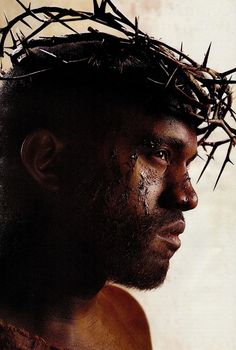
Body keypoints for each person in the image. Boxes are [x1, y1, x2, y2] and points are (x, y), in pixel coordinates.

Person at [0, 1, 234, 349]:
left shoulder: (126, 321)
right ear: (47, 160)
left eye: (187, 163)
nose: (187, 196)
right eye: (159, 154)